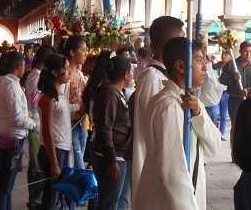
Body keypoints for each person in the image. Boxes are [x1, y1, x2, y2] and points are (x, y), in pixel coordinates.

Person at [133, 37, 220, 210]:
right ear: (181, 66)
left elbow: (214, 145)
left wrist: (198, 114)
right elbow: (173, 171)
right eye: (198, 60)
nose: (205, 67)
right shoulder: (168, 105)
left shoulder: (193, 103)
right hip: (168, 202)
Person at [131, 16, 185, 201]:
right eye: (181, 40)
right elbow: (151, 128)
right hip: (156, 161)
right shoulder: (152, 77)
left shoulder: (162, 76)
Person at [0, 51, 37, 210]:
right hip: (11, 138)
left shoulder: (3, 81)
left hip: (3, 135)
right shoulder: (10, 85)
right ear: (20, 65)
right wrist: (33, 124)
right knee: (4, 188)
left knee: (6, 187)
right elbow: (17, 117)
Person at [92, 55, 133, 210]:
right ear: (125, 74)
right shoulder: (109, 94)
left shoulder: (116, 91)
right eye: (131, 71)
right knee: (109, 201)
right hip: (112, 155)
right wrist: (111, 159)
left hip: (121, 153)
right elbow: (105, 127)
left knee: (120, 199)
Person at [37, 53, 74, 210]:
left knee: (57, 195)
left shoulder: (59, 94)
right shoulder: (49, 98)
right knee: (51, 197)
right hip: (53, 150)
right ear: (55, 73)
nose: (68, 72)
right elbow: (46, 131)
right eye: (65, 69)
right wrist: (54, 162)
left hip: (62, 148)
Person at [23, 45, 56, 209]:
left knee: (36, 161)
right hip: (35, 120)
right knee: (36, 163)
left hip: (36, 119)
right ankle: (34, 199)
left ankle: (35, 197)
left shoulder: (34, 75)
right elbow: (36, 102)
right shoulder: (36, 77)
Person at [219, 41, 251, 125]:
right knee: (236, 124)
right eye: (246, 51)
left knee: (250, 124)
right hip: (235, 100)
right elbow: (222, 80)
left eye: (250, 52)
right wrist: (233, 78)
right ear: (240, 51)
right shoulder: (231, 64)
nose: (248, 54)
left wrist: (250, 89)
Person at [62, 36, 88, 170]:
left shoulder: (79, 72)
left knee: (80, 156)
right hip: (69, 123)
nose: (86, 53)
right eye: (83, 50)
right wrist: (79, 107)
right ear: (72, 53)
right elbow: (60, 104)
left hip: (81, 121)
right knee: (76, 161)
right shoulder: (65, 75)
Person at [197, 37, 226, 128]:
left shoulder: (209, 60)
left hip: (211, 98)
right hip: (201, 97)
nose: (204, 49)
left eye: (205, 47)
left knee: (212, 124)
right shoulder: (196, 60)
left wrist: (223, 62)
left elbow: (215, 68)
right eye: (202, 47)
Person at [213, 50, 232, 138]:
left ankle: (222, 133)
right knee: (215, 113)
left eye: (225, 55)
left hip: (225, 93)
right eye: (222, 54)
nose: (223, 56)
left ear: (230, 57)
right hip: (215, 92)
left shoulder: (231, 67)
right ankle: (214, 132)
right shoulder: (216, 65)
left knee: (223, 114)